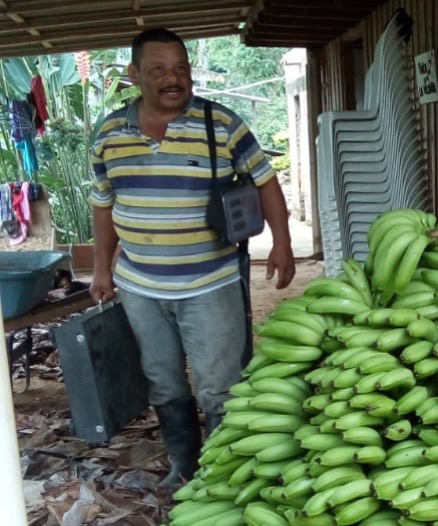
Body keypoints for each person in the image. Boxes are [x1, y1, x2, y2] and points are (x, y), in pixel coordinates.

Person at [88, 28, 296, 488]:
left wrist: (281, 242)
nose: (173, 79)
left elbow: (265, 181)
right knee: (162, 379)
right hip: (141, 286)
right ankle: (183, 465)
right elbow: (103, 205)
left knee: (221, 384)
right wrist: (101, 269)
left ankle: (223, 475)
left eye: (181, 68)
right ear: (134, 75)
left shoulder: (221, 124)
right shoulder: (109, 134)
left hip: (211, 282)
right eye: (159, 70)